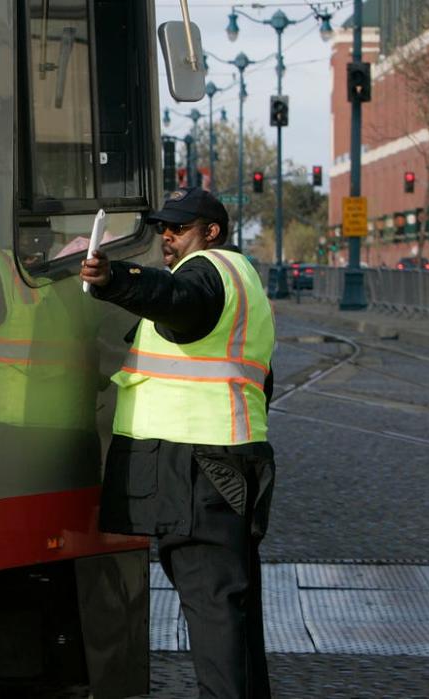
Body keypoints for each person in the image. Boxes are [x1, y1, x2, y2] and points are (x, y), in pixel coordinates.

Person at [79, 187, 277, 699]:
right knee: (231, 606)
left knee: (212, 607)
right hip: (228, 460)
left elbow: (177, 301)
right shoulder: (244, 277)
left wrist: (114, 279)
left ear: (210, 232)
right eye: (163, 228)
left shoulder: (206, 271)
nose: (167, 236)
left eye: (180, 227)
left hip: (197, 467)